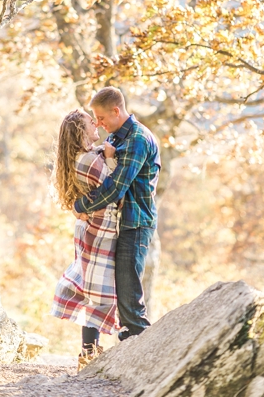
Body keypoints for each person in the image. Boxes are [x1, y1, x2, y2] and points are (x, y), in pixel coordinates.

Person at [74, 87, 161, 341]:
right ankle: (98, 351)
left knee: (130, 296)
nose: (98, 124)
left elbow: (116, 188)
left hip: (135, 224)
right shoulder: (116, 138)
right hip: (116, 225)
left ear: (116, 110)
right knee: (107, 290)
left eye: (101, 118)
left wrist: (80, 206)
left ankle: (144, 355)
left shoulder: (137, 139)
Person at [51, 109, 121, 371]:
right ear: (80, 131)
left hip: (88, 227)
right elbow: (112, 187)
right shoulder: (89, 160)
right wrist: (111, 159)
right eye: (89, 122)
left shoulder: (83, 157)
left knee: (92, 289)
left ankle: (88, 352)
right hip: (99, 230)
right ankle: (88, 355)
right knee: (97, 292)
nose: (96, 123)